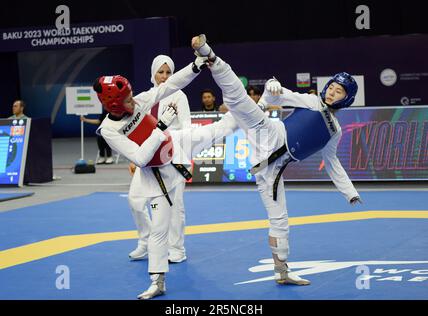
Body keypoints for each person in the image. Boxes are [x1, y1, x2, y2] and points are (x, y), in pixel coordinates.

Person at [192, 34, 362, 287]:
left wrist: (350, 192)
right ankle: (208, 54)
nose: (333, 92)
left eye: (340, 92)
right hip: (268, 134)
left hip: (271, 170)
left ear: (346, 99)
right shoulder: (312, 101)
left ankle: (281, 271)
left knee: (280, 220)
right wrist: (272, 85)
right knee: (239, 101)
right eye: (333, 88)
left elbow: (333, 162)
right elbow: (281, 94)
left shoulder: (335, 131)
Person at [94, 58, 237, 299]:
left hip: (177, 145)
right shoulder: (109, 131)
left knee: (216, 130)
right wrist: (159, 128)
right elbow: (139, 157)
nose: (134, 100)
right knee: (159, 229)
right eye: (127, 99)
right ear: (114, 105)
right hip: (155, 172)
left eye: (131, 96)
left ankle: (255, 105)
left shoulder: (138, 101)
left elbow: (170, 86)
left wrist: (195, 65)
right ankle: (157, 281)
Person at [128, 55, 190, 263]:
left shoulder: (179, 96)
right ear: (153, 72)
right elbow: (135, 129)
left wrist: (185, 159)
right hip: (146, 157)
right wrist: (133, 156)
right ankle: (145, 241)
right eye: (160, 72)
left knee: (175, 205)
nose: (164, 76)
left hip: (172, 157)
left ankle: (176, 249)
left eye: (168, 72)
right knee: (135, 200)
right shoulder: (144, 97)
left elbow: (187, 129)